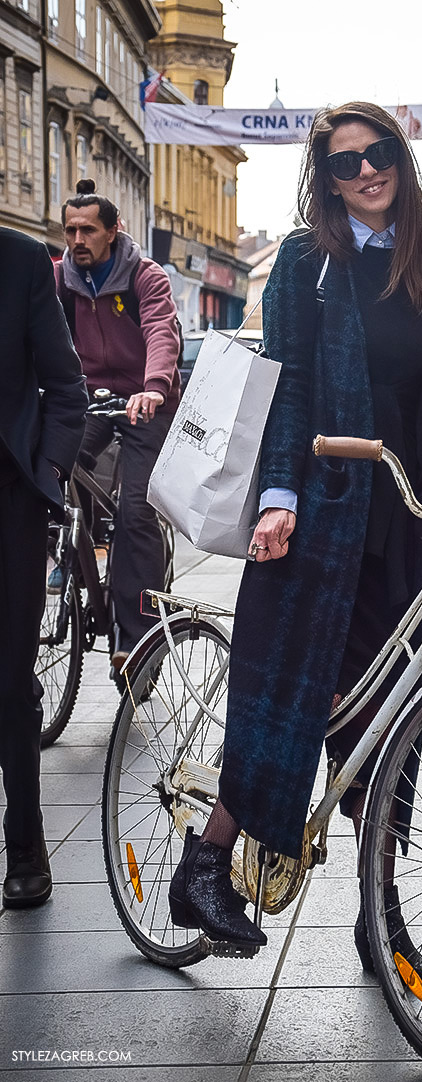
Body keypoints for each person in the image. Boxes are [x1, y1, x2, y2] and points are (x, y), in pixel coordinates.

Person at [168, 101, 422, 982]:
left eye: (378, 155)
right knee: (293, 700)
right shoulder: (307, 263)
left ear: (401, 162)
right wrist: (278, 497)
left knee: (390, 725)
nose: (366, 172)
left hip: (407, 519)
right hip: (319, 513)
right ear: (325, 178)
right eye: (345, 163)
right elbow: (288, 385)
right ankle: (203, 863)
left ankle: (379, 919)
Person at [55, 180, 181, 670]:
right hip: (86, 398)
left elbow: (160, 329)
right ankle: (73, 559)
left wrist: (154, 385)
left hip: (144, 402)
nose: (78, 240)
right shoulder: (57, 280)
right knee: (50, 471)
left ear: (113, 230)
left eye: (88, 229)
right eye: (70, 230)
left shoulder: (143, 276)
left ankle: (137, 635)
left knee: (136, 511)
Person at [0, 227, 88, 907]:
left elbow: (66, 387)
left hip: (7, 504)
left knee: (7, 679)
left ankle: (25, 841)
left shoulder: (22, 260)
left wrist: (48, 469)